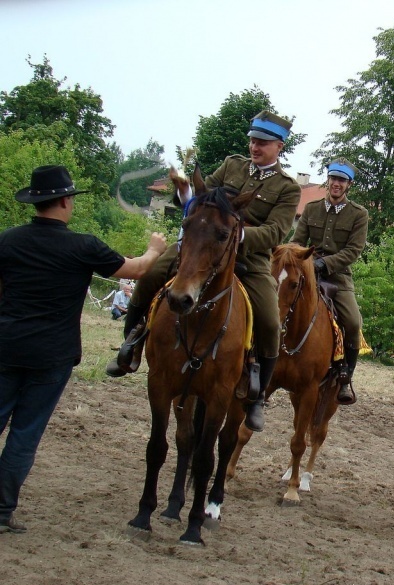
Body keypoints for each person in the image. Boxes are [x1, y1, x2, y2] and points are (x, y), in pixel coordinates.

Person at [106, 111, 301, 433]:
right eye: (253, 140)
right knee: (153, 274)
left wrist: (234, 235)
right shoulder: (232, 164)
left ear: (279, 146)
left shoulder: (287, 188)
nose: (255, 147)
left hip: (247, 256)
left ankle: (256, 396)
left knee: (269, 319)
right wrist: (185, 191)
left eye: (263, 143)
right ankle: (133, 341)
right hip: (202, 243)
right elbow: (200, 198)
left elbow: (275, 232)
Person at [0, 165, 167, 533]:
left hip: (6, 345)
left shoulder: (7, 240)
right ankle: (1, 511)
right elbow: (136, 270)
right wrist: (154, 249)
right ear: (64, 201)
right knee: (25, 433)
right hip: (52, 354)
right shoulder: (83, 246)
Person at [290, 158, 368, 403]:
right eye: (333, 178)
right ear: (328, 180)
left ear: (349, 185)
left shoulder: (359, 214)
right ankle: (260, 365)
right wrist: (293, 258)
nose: (336, 184)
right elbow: (297, 240)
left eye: (341, 180)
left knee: (353, 322)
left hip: (338, 276)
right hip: (305, 270)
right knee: (277, 303)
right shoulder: (311, 208)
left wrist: (324, 264)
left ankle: (346, 376)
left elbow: (353, 250)